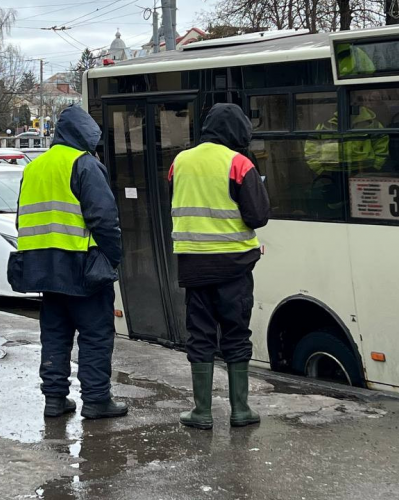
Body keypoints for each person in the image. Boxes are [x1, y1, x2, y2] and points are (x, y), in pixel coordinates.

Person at [9, 104, 126, 420]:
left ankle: (54, 399)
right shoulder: (85, 164)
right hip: (82, 268)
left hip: (42, 269)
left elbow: (22, 219)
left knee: (55, 335)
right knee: (95, 335)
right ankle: (97, 400)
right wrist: (112, 258)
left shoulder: (34, 167)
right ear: (86, 134)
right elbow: (104, 218)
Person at [170, 103, 270, 430]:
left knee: (200, 336)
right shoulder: (238, 164)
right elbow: (258, 216)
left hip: (193, 268)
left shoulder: (179, 162)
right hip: (234, 267)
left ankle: (201, 412)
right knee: (236, 334)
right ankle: (240, 410)